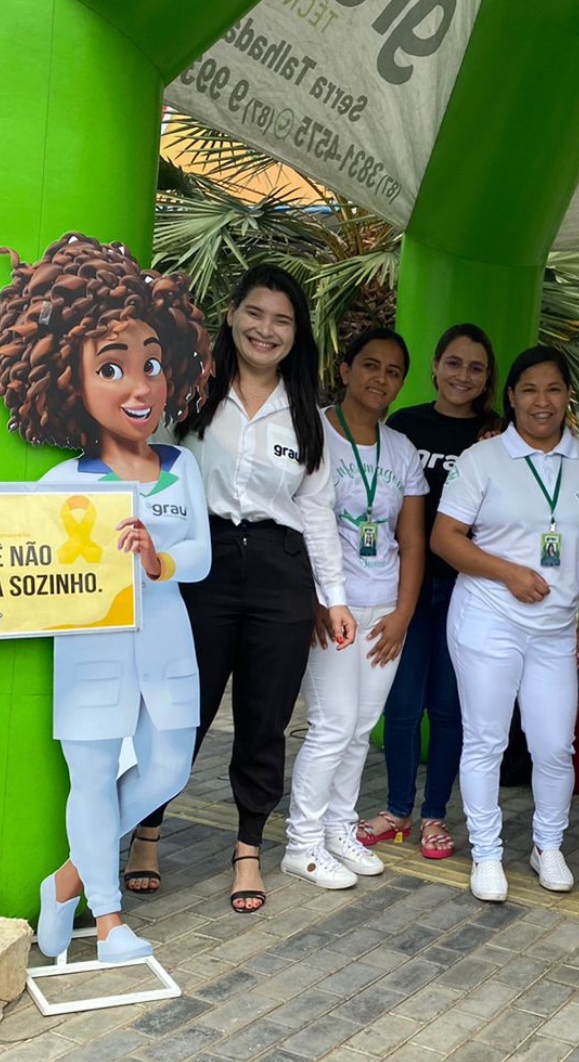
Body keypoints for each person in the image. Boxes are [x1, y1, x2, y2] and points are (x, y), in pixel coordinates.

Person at [0, 233, 212, 960]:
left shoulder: (182, 468)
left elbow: (203, 560)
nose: (140, 387)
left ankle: (62, 885)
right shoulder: (61, 488)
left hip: (167, 646)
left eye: (151, 364)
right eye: (113, 367)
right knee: (90, 775)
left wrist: (157, 560)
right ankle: (109, 918)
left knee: (169, 768)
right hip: (89, 652)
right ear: (71, 380)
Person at [126, 265, 356, 912]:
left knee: (266, 716)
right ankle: (148, 829)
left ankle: (248, 846)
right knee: (181, 708)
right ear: (231, 315)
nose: (267, 329)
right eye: (256, 313)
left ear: (296, 333)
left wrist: (333, 598)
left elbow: (316, 514)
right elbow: (151, 472)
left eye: (282, 320)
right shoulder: (189, 394)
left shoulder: (308, 418)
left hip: (281, 572)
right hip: (203, 563)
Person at [431, 345, 579, 902]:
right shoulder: (483, 460)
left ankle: (546, 845)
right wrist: (507, 572)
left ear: (568, 396)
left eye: (553, 389)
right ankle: (486, 852)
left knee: (555, 744)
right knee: (485, 739)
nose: (542, 400)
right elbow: (444, 539)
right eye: (529, 389)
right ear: (510, 397)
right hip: (489, 617)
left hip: (556, 629)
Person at [282, 328, 427, 887]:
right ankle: (303, 841)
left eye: (393, 371)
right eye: (370, 365)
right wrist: (318, 598)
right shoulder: (312, 431)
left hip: (384, 609)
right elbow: (298, 520)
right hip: (330, 608)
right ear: (345, 369)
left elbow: (411, 541)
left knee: (362, 725)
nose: (381, 379)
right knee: (332, 724)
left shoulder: (401, 449)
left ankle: (340, 828)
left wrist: (403, 614)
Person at [358, 324, 499, 858]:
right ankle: (396, 810)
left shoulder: (496, 436)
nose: (464, 375)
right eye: (455, 363)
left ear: (487, 380)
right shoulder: (404, 426)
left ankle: (435, 815)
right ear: (436, 367)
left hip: (468, 592)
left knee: (448, 710)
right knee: (401, 706)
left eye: (476, 368)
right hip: (408, 589)